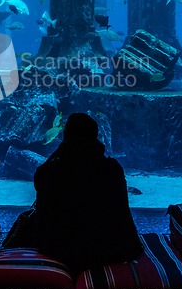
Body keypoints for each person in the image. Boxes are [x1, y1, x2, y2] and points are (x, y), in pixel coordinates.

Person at [34, 112, 143, 273]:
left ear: (66, 136)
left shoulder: (51, 170)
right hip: (112, 249)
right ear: (96, 135)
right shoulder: (112, 169)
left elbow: (39, 181)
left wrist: (60, 150)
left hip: (59, 248)